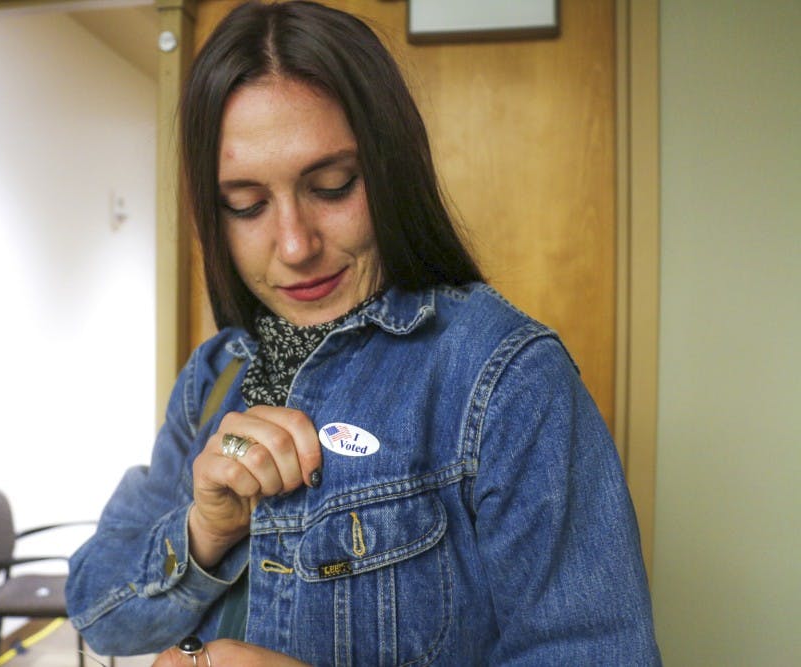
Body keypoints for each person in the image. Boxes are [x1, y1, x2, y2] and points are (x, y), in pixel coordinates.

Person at [66, 2, 661, 665]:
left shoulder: (503, 377)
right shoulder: (214, 375)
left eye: (332, 185)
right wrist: (205, 529)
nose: (294, 244)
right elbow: (98, 612)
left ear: (390, 170)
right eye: (247, 204)